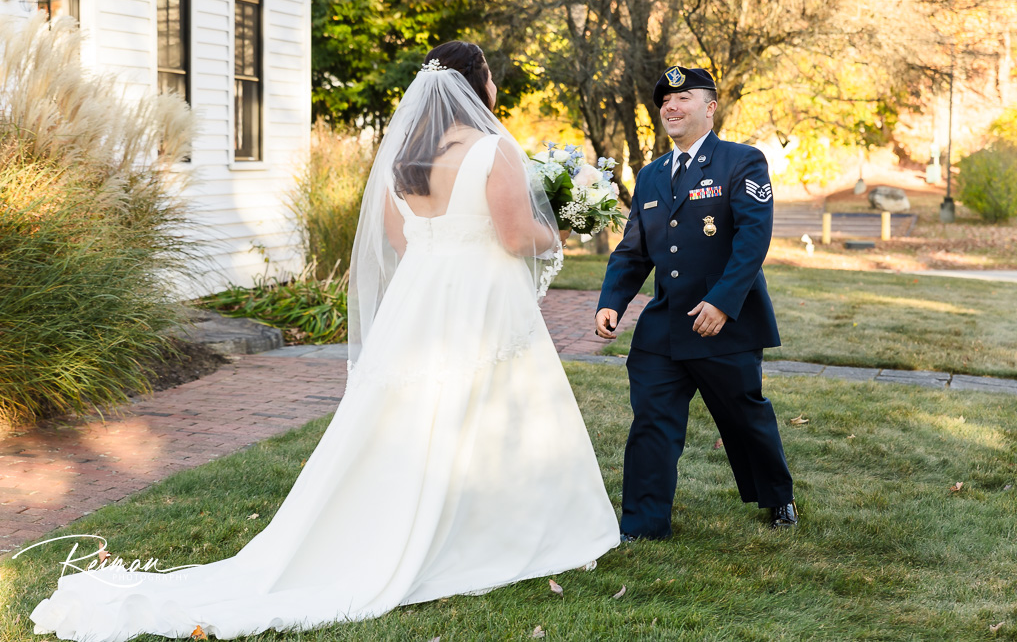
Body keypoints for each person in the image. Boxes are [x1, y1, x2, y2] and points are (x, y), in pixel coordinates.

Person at [31, 41, 620, 642]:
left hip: (420, 302)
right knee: (497, 406)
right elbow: (519, 237)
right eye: (489, 77)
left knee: (414, 413)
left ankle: (398, 520)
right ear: (477, 86)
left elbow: (405, 243)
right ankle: (500, 527)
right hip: (481, 299)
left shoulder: (403, 162)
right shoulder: (495, 148)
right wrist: (564, 227)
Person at [595, 66, 797, 540]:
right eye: (665, 99)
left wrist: (723, 303)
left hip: (724, 322)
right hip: (665, 325)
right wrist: (612, 301)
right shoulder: (649, 177)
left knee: (743, 416)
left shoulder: (742, 162)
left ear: (710, 107)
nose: (671, 105)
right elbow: (634, 249)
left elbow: (753, 239)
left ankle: (777, 497)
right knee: (652, 420)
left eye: (683, 97)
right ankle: (643, 525)